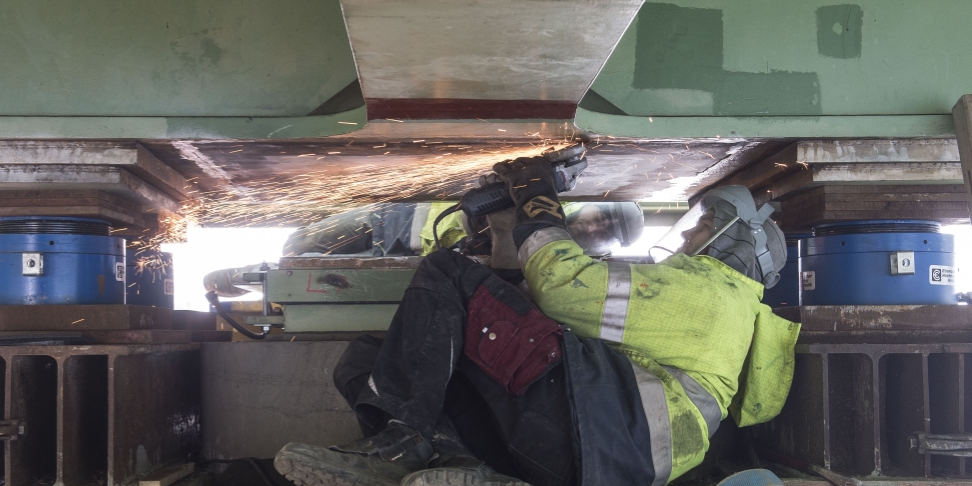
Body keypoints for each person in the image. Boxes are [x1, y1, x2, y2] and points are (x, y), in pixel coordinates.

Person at [274, 154, 800, 486]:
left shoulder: (714, 294)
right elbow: (524, 308)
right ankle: (463, 469)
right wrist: (509, 234)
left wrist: (540, 203)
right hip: (588, 457)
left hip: (605, 438)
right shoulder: (701, 295)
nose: (687, 234)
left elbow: (563, 288)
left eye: (705, 223)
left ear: (737, 241)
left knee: (446, 271)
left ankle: (400, 445)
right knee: (372, 358)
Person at [202, 200, 645, 297]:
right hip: (391, 222)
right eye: (603, 213)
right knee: (298, 244)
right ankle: (254, 273)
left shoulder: (558, 257)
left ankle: (250, 278)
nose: (598, 223)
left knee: (311, 278)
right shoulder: (544, 199)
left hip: (406, 262)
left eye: (608, 229)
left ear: (605, 244)